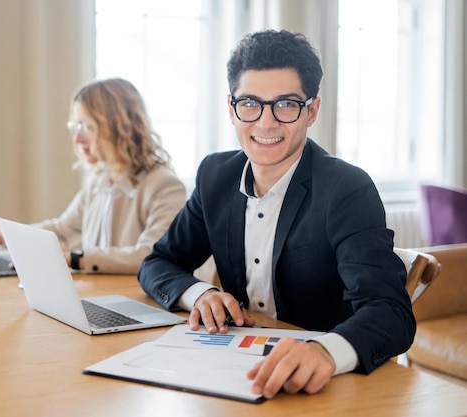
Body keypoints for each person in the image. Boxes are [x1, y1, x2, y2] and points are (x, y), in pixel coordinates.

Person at [138, 30, 415, 399]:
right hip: (233, 370)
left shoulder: (346, 189)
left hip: (322, 388)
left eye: (285, 105)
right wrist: (199, 293)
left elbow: (390, 311)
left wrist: (326, 351)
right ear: (231, 107)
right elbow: (158, 263)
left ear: (311, 110)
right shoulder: (215, 175)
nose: (265, 123)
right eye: (250, 103)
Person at [0, 78, 186, 274]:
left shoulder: (163, 185)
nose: (78, 138)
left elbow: (150, 255)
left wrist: (75, 258)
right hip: (100, 292)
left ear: (116, 127)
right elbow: (63, 229)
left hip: (136, 297)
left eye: (86, 127)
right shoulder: (99, 180)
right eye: (75, 127)